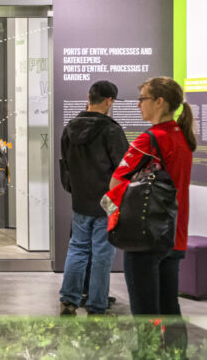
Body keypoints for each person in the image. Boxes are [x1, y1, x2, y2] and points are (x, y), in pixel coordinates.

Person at [105, 77, 195, 347]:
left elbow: (116, 182)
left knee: (145, 315)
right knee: (170, 309)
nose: (138, 104)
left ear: (160, 102)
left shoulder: (149, 140)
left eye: (143, 98)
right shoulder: (183, 137)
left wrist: (111, 210)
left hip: (147, 237)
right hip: (175, 234)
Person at [58, 80, 128, 316]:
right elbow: (123, 168)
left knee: (77, 249)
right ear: (109, 101)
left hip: (80, 201)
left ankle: (68, 299)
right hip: (105, 204)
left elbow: (65, 165)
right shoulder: (112, 130)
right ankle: (97, 305)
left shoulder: (69, 128)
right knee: (102, 255)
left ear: (89, 97)